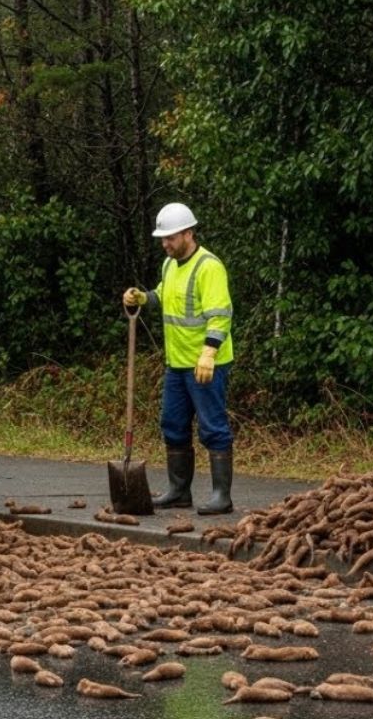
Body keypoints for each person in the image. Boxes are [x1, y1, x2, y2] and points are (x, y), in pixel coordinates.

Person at [123, 203, 235, 515]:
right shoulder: (169, 265)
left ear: (188, 233)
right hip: (177, 363)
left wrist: (209, 353)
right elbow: (165, 295)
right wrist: (142, 297)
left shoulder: (209, 267)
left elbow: (220, 315)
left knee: (212, 427)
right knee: (172, 424)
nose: (165, 244)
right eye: (163, 238)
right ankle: (178, 491)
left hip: (206, 364)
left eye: (170, 238)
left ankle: (221, 496)